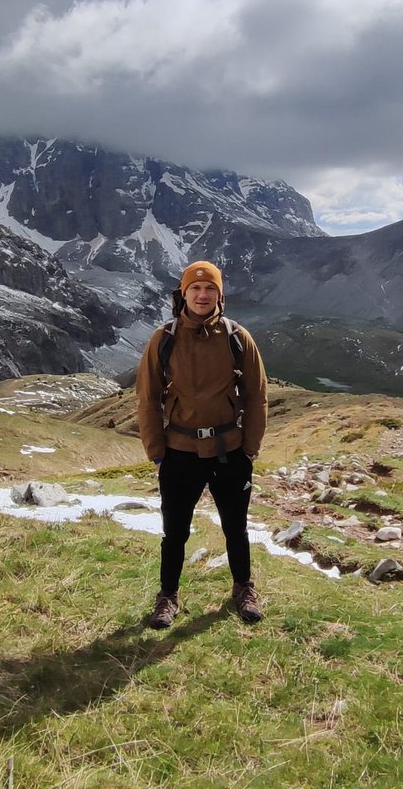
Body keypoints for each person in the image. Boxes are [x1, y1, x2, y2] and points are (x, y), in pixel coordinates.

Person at [136, 261, 269, 628]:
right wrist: (156, 452)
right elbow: (147, 398)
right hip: (179, 451)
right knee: (175, 531)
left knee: (236, 528)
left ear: (219, 295)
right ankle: (168, 596)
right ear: (183, 293)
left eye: (210, 288)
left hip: (230, 450)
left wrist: (250, 447)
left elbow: (257, 396)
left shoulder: (237, 337)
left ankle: (243, 588)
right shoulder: (163, 339)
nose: (202, 294)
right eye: (195, 288)